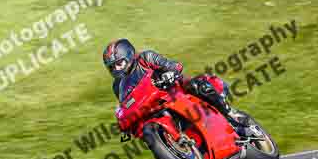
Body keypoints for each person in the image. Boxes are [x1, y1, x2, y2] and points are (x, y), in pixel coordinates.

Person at [102, 38, 251, 126]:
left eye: (119, 63)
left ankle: (229, 113)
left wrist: (170, 73)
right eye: (112, 67)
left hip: (173, 90)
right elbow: (127, 105)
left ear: (128, 55)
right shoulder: (117, 85)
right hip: (151, 107)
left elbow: (173, 66)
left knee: (196, 85)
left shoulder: (146, 58)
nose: (116, 68)